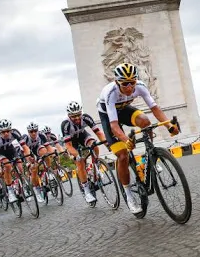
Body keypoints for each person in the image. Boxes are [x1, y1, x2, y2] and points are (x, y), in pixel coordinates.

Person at [97, 62, 179, 214]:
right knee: (123, 155)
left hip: (124, 110)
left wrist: (169, 126)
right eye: (125, 84)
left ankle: (151, 157)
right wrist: (126, 140)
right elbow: (114, 126)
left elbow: (155, 109)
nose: (129, 87)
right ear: (117, 82)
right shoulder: (110, 92)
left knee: (145, 122)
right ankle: (129, 195)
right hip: (108, 116)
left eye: (132, 83)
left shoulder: (140, 86)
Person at [61, 101, 107, 205]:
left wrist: (107, 144)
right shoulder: (66, 124)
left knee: (94, 145)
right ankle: (86, 191)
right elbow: (68, 145)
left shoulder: (86, 117)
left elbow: (98, 133)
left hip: (83, 136)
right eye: (74, 116)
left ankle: (96, 165)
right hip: (72, 142)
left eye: (78, 115)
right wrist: (77, 155)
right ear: (69, 116)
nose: (77, 118)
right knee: (80, 162)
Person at [0, 119, 29, 203]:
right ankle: (10, 190)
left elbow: (25, 147)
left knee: (20, 167)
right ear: (0, 132)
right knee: (7, 166)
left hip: (12, 151)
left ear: (10, 130)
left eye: (8, 131)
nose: (6, 133)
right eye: (3, 132)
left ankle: (22, 188)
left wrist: (28, 157)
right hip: (0, 153)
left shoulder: (15, 133)